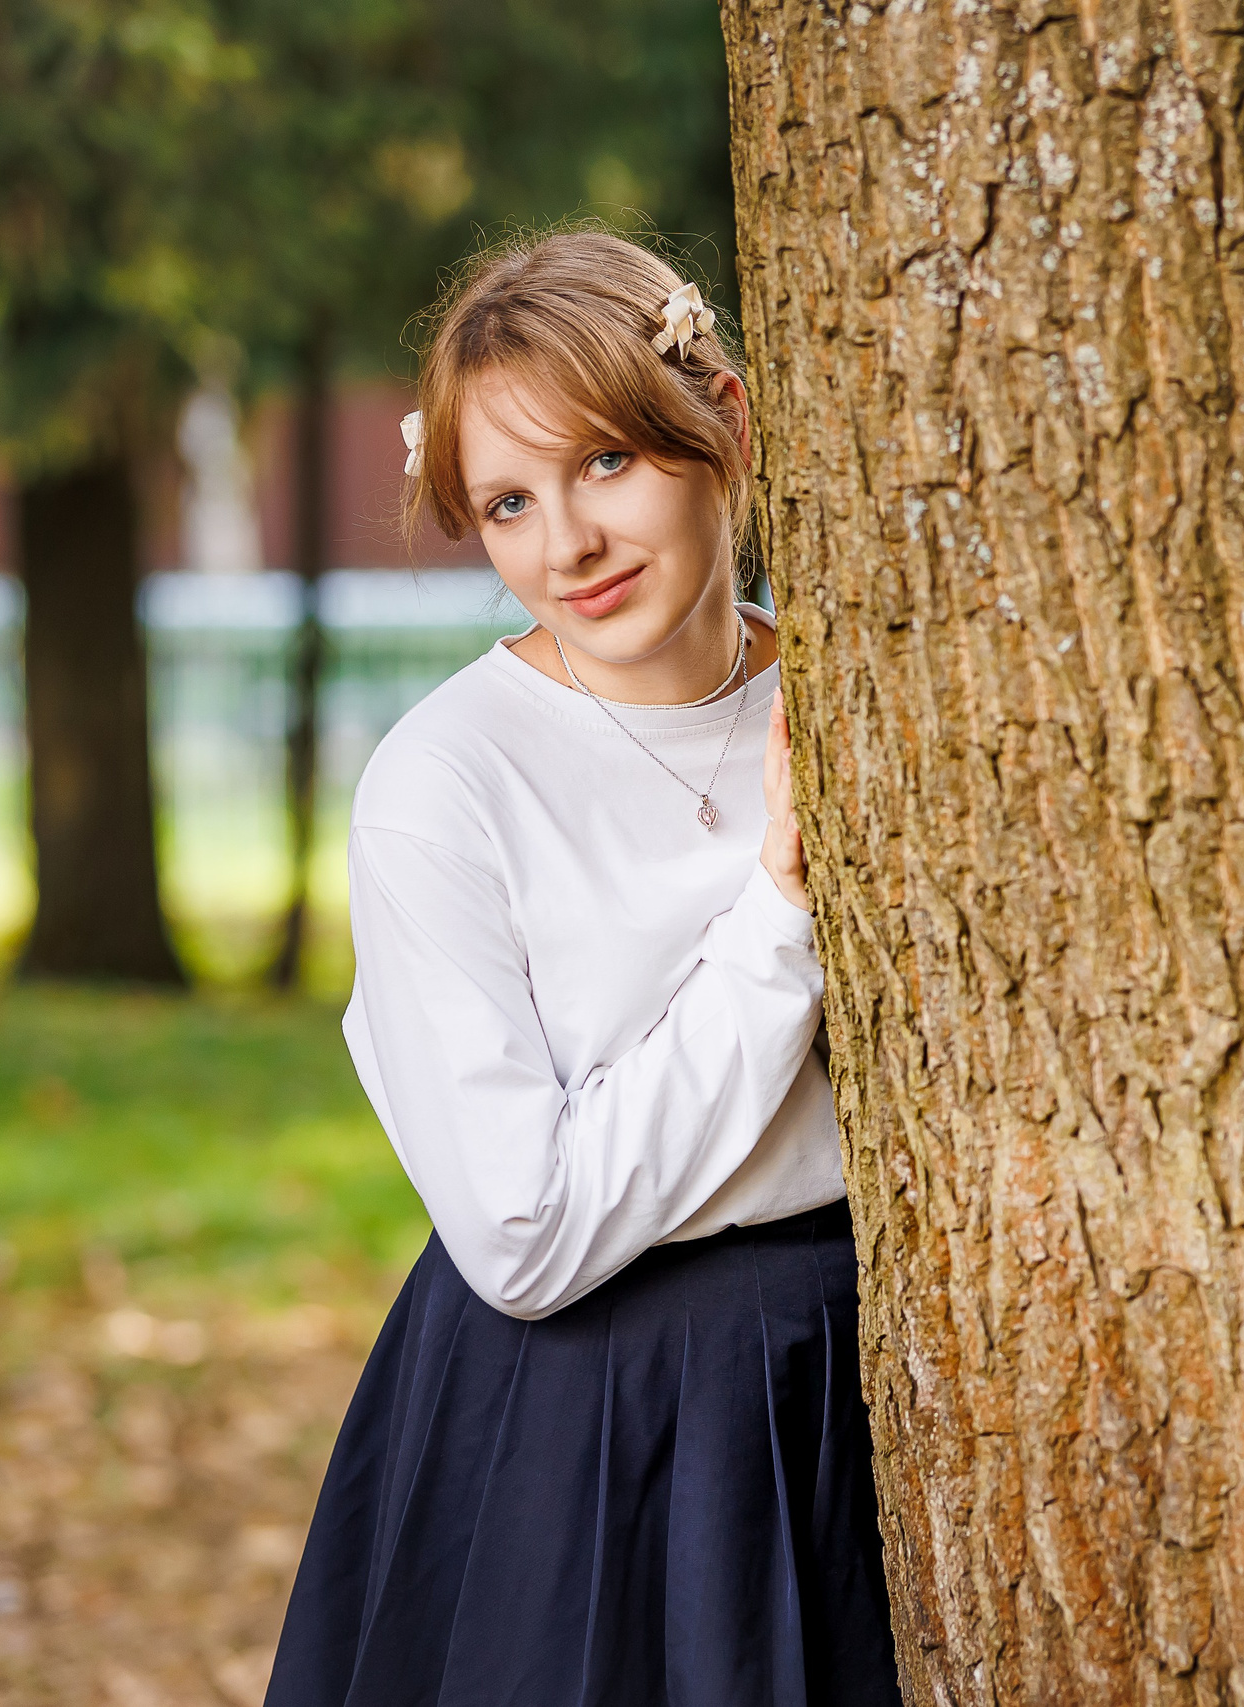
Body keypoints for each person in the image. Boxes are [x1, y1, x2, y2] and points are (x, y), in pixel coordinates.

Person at [267, 231, 898, 1705]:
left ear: (724, 428)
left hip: (868, 1391)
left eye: (608, 462)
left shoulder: (860, 696)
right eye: (508, 500)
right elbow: (525, 1227)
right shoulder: (445, 781)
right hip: (588, 1429)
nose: (568, 546)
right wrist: (781, 912)